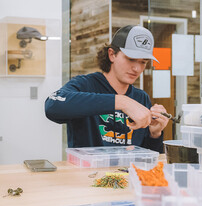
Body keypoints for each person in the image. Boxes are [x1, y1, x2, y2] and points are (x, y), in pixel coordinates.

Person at [45, 25, 169, 153]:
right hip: (87, 172)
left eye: (143, 62)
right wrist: (121, 102)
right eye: (131, 59)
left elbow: (147, 157)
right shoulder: (86, 85)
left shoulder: (141, 98)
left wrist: (155, 134)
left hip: (127, 172)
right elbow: (52, 106)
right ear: (112, 55)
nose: (137, 68)